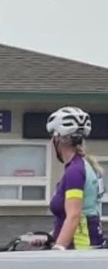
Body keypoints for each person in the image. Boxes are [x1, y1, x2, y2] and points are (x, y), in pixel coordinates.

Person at [46, 106, 102, 250]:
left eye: (52, 136)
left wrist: (58, 247)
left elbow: (74, 216)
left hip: (80, 247)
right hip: (79, 243)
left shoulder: (75, 172)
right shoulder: (80, 166)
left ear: (57, 139)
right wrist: (51, 237)